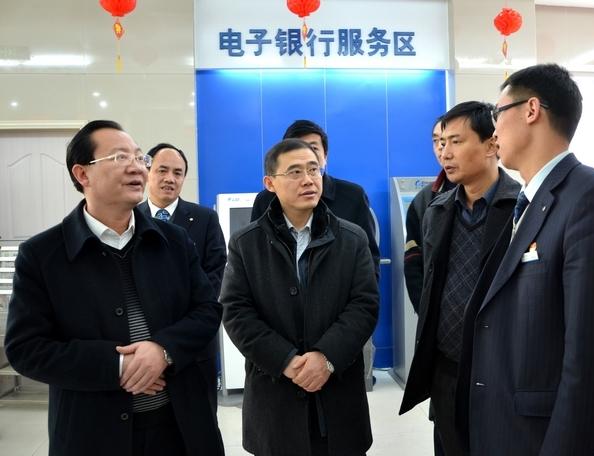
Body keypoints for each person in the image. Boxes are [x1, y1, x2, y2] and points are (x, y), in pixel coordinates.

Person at [4, 120, 224, 456]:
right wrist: (118, 365)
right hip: (92, 432)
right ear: (82, 174)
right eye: (120, 158)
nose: (137, 167)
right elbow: (26, 348)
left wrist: (162, 350)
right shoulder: (42, 254)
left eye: (139, 158)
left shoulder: (174, 241)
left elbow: (207, 310)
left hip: (180, 427)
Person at [457, 63, 594, 455]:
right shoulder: (531, 200)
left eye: (497, 113)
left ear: (531, 110)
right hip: (511, 429)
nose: (493, 131)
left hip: (550, 437)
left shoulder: (593, 199)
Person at [221, 138, 379, 456]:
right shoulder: (246, 243)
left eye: (313, 170)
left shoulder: (352, 238)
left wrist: (326, 357)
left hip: (338, 398)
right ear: (270, 183)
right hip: (275, 398)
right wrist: (285, 360)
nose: (308, 179)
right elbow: (236, 312)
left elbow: (364, 305)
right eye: (295, 172)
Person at [399, 101, 521, 456]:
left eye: (456, 141)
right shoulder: (436, 210)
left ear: (491, 145)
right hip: (448, 371)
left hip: (502, 370)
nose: (445, 152)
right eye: (441, 143)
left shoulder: (522, 207)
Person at [137, 142, 227, 410]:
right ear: (147, 171)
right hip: (143, 344)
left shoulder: (205, 218)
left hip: (194, 344)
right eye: (162, 170)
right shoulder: (130, 217)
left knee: (199, 420)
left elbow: (214, 274)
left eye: (178, 173)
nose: (170, 178)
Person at [249, 119, 380, 276]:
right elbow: (255, 256)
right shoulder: (266, 200)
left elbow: (368, 260)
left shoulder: (353, 196)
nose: (305, 153)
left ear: (325, 156)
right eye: (297, 147)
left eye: (313, 148)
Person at [403, 116, 455, 314]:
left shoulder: (510, 196)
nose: (442, 147)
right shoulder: (423, 201)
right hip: (437, 315)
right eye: (437, 141)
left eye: (451, 140)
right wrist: (425, 311)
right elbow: (413, 262)